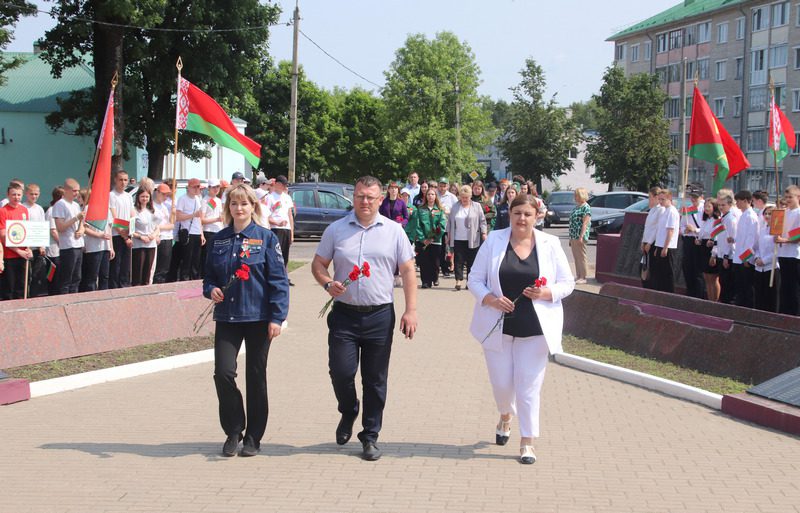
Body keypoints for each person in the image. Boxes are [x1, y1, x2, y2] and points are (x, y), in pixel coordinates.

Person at [311, 176, 418, 462]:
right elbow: (318, 264)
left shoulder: (394, 231)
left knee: (375, 380)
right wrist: (326, 283)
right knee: (341, 372)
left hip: (380, 316)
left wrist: (411, 310)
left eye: (371, 197)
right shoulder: (336, 230)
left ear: (381, 199)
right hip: (344, 315)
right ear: (353, 198)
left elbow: (408, 271)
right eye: (360, 196)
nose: (365, 201)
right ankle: (348, 410)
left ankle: (370, 436)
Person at [468, 194, 575, 464]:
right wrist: (491, 299)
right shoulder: (494, 241)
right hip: (498, 327)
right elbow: (475, 279)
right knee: (502, 385)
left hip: (536, 329)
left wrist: (546, 292)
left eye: (528, 214)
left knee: (528, 387)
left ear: (537, 216)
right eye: (517, 213)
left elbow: (567, 282)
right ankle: (505, 416)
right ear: (510, 214)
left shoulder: (550, 243)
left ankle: (527, 441)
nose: (522, 219)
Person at [203, 183, 289, 457]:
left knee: (255, 376)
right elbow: (208, 277)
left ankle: (253, 436)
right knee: (223, 373)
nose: (238, 209)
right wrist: (211, 290)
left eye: (244, 204)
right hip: (228, 316)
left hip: (259, 317)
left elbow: (278, 280)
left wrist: (277, 317)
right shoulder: (219, 240)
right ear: (228, 208)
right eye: (234, 204)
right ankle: (233, 428)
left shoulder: (266, 238)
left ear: (253, 206)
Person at [448, 184, 488, 291]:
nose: (464, 199)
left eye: (466, 197)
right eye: (462, 197)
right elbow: (450, 222)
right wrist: (448, 235)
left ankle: (469, 282)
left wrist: (484, 233)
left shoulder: (477, 206)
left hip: (473, 238)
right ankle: (458, 280)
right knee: (458, 260)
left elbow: (482, 221)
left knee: (472, 261)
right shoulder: (455, 206)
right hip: (458, 238)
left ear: (470, 196)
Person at [52, 178, 85, 295]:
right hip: (68, 246)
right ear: (66, 190)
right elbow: (60, 227)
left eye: (78, 191)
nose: (77, 193)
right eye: (74, 191)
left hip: (78, 244)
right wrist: (76, 218)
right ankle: (65, 300)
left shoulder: (76, 205)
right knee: (67, 278)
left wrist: (81, 230)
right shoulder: (60, 204)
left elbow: (82, 224)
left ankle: (74, 300)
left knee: (77, 277)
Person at [0, 182, 31, 299]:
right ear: (8, 195)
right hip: (9, 257)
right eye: (13, 195)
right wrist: (18, 251)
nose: (16, 197)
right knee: (9, 289)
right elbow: (3, 236)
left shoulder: (24, 210)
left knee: (21, 288)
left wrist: (28, 248)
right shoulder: (3, 211)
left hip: (23, 256)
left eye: (18, 195)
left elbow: (27, 232)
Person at [411, 188, 447, 288]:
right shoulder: (420, 209)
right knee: (424, 262)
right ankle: (425, 281)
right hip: (423, 241)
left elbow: (442, 225)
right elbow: (417, 225)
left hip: (435, 241)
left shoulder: (440, 210)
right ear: (426, 196)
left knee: (435, 262)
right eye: (428, 194)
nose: (430, 196)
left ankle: (434, 277)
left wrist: (434, 237)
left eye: (432, 194)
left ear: (436, 196)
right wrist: (423, 239)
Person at [265, 175, 295, 286]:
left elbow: (290, 216)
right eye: (283, 185)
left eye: (285, 185)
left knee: (285, 255)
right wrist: (276, 223)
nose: (284, 187)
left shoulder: (287, 197)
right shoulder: (270, 198)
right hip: (275, 229)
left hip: (286, 229)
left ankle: (284, 277)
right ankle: (274, 277)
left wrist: (292, 233)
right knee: (275, 254)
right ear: (277, 184)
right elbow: (266, 216)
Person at [775, 185, 800, 315]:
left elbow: (798, 236)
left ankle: (795, 315)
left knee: (794, 287)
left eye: (791, 197)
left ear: (798, 198)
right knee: (784, 287)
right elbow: (777, 231)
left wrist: (784, 240)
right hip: (783, 253)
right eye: (786, 197)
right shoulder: (784, 213)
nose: (788, 199)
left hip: (794, 255)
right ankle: (784, 314)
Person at [731, 190, 758, 308]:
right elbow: (742, 236)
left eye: (738, 201)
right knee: (739, 285)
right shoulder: (743, 215)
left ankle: (746, 308)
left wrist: (747, 258)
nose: (737, 204)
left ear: (746, 201)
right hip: (739, 255)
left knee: (746, 286)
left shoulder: (751, 216)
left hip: (745, 257)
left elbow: (751, 238)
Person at [174, 178, 205, 281]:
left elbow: (199, 218)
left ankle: (194, 279)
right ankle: (185, 279)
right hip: (188, 232)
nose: (197, 189)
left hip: (196, 232)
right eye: (195, 187)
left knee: (196, 260)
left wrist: (201, 234)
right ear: (189, 187)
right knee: (187, 259)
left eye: (198, 187)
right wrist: (193, 215)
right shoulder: (183, 199)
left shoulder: (198, 199)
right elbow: (178, 216)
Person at [650, 189, 679, 293]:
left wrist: (665, 247)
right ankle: (660, 293)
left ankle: (669, 294)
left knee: (667, 273)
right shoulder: (664, 211)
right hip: (660, 245)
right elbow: (660, 231)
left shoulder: (671, 211)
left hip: (668, 247)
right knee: (660, 273)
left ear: (669, 199)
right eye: (660, 199)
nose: (661, 201)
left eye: (663, 199)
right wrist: (657, 247)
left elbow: (670, 231)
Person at [80, 207, 114, 292]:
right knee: (92, 276)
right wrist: (99, 235)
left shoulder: (107, 209)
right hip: (93, 248)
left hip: (106, 247)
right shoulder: (88, 208)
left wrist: (111, 247)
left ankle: (104, 296)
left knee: (104, 276)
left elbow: (109, 229)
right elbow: (84, 228)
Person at [130, 188, 159, 286]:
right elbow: (131, 230)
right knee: (138, 273)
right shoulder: (134, 211)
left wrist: (153, 236)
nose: (145, 199)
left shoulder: (151, 210)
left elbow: (157, 227)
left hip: (151, 244)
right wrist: (141, 237)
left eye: (147, 196)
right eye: (142, 196)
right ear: (138, 197)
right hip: (139, 245)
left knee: (148, 273)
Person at [108, 171, 132, 289]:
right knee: (116, 265)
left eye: (125, 180)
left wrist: (131, 229)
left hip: (127, 233)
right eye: (121, 180)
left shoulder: (128, 196)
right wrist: (124, 235)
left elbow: (132, 215)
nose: (123, 182)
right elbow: (113, 217)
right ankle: (115, 288)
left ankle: (124, 285)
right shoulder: (111, 195)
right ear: (115, 180)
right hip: (116, 234)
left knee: (125, 265)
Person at [754, 205, 779, 312]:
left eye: (770, 213)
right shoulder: (762, 229)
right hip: (760, 268)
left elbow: (777, 251)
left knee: (772, 297)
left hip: (771, 268)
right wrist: (757, 258)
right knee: (760, 296)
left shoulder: (778, 231)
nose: (767, 216)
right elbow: (758, 247)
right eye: (766, 213)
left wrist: (764, 261)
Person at [680, 191, 705, 299]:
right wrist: (685, 230)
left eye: (696, 197)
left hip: (699, 240)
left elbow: (707, 227)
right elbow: (681, 226)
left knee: (698, 269)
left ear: (701, 197)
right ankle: (690, 292)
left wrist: (696, 230)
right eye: (692, 197)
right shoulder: (688, 209)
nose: (693, 200)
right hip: (688, 240)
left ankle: (699, 295)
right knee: (687, 267)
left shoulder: (704, 208)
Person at [714, 191, 738, 304]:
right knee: (723, 281)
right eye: (720, 205)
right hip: (721, 252)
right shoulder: (723, 217)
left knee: (727, 283)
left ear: (729, 205)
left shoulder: (731, 219)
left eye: (723, 205)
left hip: (727, 255)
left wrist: (726, 256)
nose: (721, 207)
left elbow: (731, 240)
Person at [697, 198, 720, 302]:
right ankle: (710, 300)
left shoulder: (717, 220)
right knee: (706, 277)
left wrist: (713, 254)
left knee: (713, 278)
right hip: (703, 248)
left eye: (709, 206)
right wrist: (698, 239)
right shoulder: (706, 220)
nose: (706, 209)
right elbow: (702, 233)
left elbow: (717, 237)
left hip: (711, 249)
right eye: (705, 206)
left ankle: (715, 301)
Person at [200, 179, 224, 279]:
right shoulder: (205, 200)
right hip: (209, 231)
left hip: (219, 231)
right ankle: (205, 275)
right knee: (208, 256)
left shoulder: (218, 200)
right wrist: (216, 219)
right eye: (213, 187)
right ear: (208, 188)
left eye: (218, 187)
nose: (216, 189)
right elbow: (201, 219)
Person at [641, 187, 663, 289]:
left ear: (656, 197)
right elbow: (647, 227)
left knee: (652, 269)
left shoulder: (661, 210)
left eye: (650, 197)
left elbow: (657, 228)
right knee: (644, 267)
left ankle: (651, 290)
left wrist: (649, 242)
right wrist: (643, 241)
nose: (649, 199)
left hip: (653, 243)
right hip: (646, 242)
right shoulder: (652, 210)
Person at [568, 187, 591, 285]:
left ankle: (583, 276)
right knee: (576, 256)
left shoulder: (586, 207)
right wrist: (570, 237)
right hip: (573, 235)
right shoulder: (576, 207)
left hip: (580, 235)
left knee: (581, 256)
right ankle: (578, 275)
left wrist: (581, 236)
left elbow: (585, 223)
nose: (575, 197)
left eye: (576, 195)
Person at [152, 183, 174, 284]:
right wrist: (162, 228)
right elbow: (154, 225)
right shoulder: (152, 207)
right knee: (159, 267)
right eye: (164, 194)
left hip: (168, 237)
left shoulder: (164, 207)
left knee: (165, 267)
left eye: (167, 195)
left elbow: (171, 224)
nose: (166, 197)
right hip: (160, 237)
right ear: (158, 192)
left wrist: (173, 214)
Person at [44, 187, 63, 296]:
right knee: (53, 277)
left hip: (60, 249)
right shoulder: (52, 210)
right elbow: (53, 231)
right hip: (53, 249)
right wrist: (63, 243)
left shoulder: (59, 209)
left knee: (59, 277)